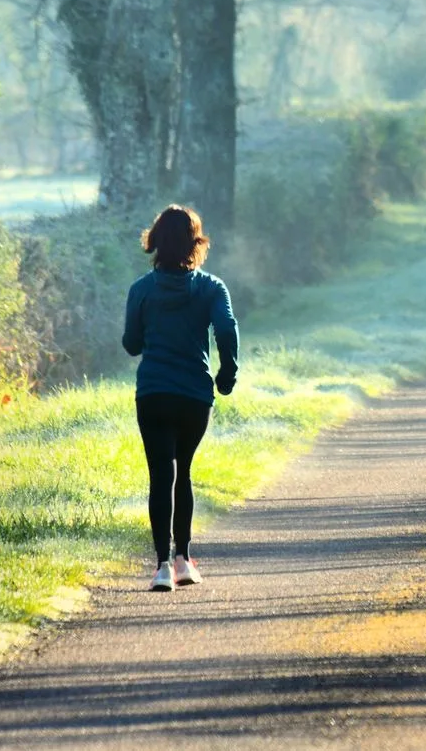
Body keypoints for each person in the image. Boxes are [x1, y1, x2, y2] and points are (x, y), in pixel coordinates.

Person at [122, 205, 239, 592]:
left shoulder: (140, 290)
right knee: (183, 473)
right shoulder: (211, 288)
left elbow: (131, 344)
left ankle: (160, 569)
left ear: (155, 241)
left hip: (153, 393)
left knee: (160, 476)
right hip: (193, 395)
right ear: (196, 242)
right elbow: (226, 328)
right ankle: (184, 560)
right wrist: (227, 373)